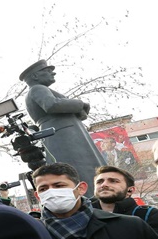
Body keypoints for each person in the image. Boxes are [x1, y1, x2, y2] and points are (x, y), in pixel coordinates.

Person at [20, 60, 106, 196]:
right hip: (64, 135)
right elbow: (51, 104)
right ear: (35, 76)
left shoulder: (38, 90)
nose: (52, 73)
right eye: (47, 71)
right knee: (82, 169)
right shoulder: (38, 89)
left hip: (62, 132)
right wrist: (80, 103)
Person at [92, 165, 158, 234]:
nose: (104, 184)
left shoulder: (151, 215)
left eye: (113, 181)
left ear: (130, 190)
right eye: (99, 182)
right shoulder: (84, 215)